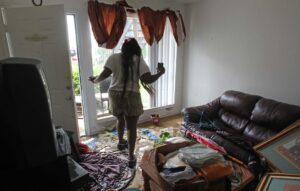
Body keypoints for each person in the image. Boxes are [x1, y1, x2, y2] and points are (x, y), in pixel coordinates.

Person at [88, 38, 165, 168]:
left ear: (123, 48)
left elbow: (103, 75)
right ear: (136, 49)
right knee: (131, 128)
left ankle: (120, 142)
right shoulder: (138, 59)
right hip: (132, 96)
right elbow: (147, 79)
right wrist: (160, 73)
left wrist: (95, 80)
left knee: (120, 119)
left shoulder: (113, 58)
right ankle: (130, 157)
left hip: (114, 95)